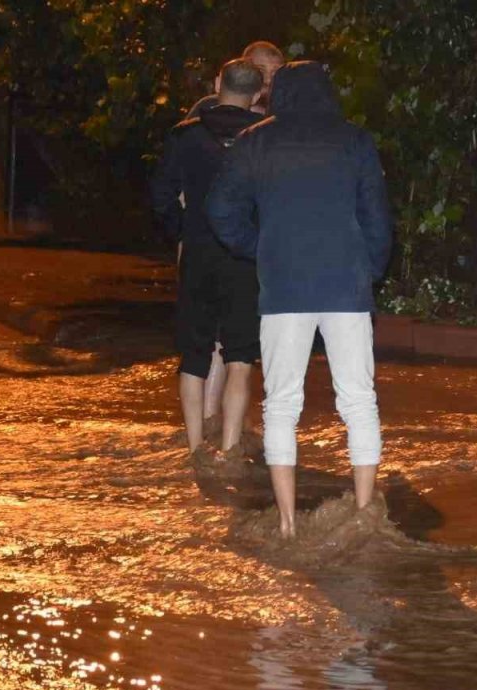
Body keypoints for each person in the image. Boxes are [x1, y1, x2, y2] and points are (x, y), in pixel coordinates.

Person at [207, 61, 392, 537]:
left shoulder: (255, 141)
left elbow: (220, 210)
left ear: (280, 93)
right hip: (346, 287)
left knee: (281, 403)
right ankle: (364, 510)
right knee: (359, 400)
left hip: (284, 285)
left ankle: (287, 520)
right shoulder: (355, 141)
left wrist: (259, 247)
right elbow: (377, 218)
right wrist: (368, 269)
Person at [151, 59, 266, 454]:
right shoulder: (263, 139)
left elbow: (161, 197)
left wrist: (182, 228)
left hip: (198, 254)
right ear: (259, 93)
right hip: (245, 260)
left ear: (218, 82)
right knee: (240, 356)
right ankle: (231, 448)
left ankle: (195, 445)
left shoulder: (184, 137)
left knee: (194, 353)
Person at [187, 41, 286, 120]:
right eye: (261, 70)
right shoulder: (209, 105)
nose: (268, 79)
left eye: (275, 72)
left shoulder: (285, 109)